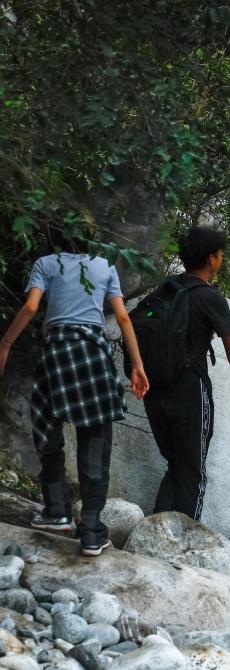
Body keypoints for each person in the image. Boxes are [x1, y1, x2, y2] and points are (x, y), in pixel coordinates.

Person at [0, 231, 149, 556]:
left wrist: (6, 343)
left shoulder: (46, 263)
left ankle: (57, 511)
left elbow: (31, 306)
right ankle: (92, 532)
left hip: (57, 355)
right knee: (95, 445)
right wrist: (137, 365)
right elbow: (123, 316)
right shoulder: (104, 266)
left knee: (48, 433)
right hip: (94, 357)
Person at [141, 228, 230, 521]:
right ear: (211, 259)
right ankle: (186, 538)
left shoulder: (166, 289)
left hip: (154, 389)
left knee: (176, 464)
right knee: (194, 473)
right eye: (221, 255)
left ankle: (155, 530)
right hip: (189, 389)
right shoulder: (209, 297)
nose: (221, 260)